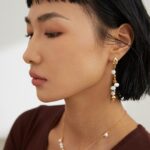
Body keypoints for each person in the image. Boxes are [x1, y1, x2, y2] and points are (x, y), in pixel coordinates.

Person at [4, 0, 150, 149]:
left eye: (52, 33)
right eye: (30, 34)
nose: (28, 55)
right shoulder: (28, 128)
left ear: (119, 42)